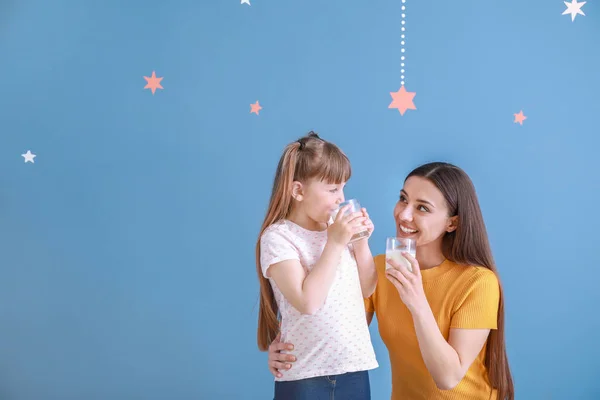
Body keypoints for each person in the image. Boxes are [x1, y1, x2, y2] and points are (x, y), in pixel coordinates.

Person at [266, 162, 515, 400]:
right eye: (403, 199)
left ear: (453, 222)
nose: (404, 214)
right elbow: (332, 325)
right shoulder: (380, 269)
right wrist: (287, 349)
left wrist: (416, 301)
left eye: (422, 208)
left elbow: (447, 378)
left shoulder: (478, 282)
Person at [256, 132, 380, 400]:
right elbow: (308, 302)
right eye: (333, 189)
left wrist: (360, 243)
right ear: (299, 190)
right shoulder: (279, 237)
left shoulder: (337, 231)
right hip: (306, 375)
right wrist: (334, 244)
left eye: (344, 188)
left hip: (355, 368)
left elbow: (367, 288)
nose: (341, 198)